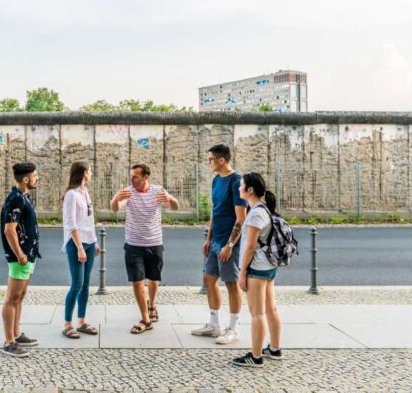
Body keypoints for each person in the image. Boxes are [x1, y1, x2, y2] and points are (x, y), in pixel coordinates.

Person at [110, 164, 179, 334]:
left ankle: (152, 305)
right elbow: (115, 208)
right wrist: (116, 198)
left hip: (154, 243)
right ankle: (145, 319)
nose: (131, 179)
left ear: (145, 177)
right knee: (137, 280)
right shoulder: (128, 191)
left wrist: (169, 197)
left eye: (135, 176)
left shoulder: (157, 191)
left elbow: (175, 206)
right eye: (131, 176)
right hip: (133, 244)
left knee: (154, 279)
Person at [192, 144, 247, 344]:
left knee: (232, 284)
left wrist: (230, 244)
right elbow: (215, 211)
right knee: (209, 279)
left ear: (222, 160)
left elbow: (241, 218)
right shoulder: (217, 180)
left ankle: (233, 328)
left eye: (211, 159)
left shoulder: (236, 182)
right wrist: (208, 238)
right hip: (216, 240)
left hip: (229, 242)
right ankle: (213, 325)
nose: (209, 163)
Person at [232, 172, 284, 368]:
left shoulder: (255, 213)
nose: (239, 188)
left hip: (257, 268)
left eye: (241, 185)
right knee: (271, 308)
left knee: (257, 313)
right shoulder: (264, 209)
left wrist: (243, 272)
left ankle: (255, 356)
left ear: (250, 190)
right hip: (269, 266)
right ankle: (275, 349)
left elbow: (250, 247)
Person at [0, 162, 41, 357]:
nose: (37, 178)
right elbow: (9, 230)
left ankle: (16, 333)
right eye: (35, 176)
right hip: (20, 258)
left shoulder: (23, 197)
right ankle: (9, 342)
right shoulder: (16, 199)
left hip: (28, 256)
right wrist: (20, 255)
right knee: (12, 298)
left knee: (20, 296)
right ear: (26, 179)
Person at [61, 161, 99, 339]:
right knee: (76, 285)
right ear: (83, 173)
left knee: (85, 285)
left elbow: (88, 220)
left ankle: (81, 322)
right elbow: (71, 223)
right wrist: (79, 248)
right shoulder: (71, 195)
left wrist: (94, 242)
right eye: (89, 171)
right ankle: (67, 324)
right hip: (76, 244)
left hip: (89, 243)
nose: (91, 173)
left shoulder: (85, 192)